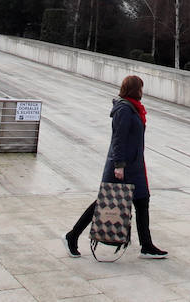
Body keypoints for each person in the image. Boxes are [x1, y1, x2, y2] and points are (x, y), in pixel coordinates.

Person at [63, 75, 168, 259]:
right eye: (141, 88)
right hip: (122, 167)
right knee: (103, 203)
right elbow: (118, 139)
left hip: (135, 165)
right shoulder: (124, 110)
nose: (143, 92)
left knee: (142, 201)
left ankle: (147, 245)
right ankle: (72, 236)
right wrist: (119, 166)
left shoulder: (134, 108)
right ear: (135, 90)